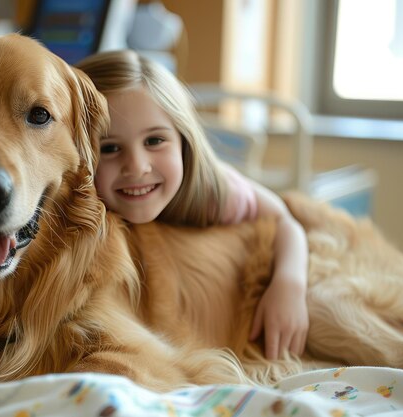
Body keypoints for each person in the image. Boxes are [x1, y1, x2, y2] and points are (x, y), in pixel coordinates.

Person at [76, 50, 309, 360]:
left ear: (184, 141)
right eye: (110, 147)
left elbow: (284, 219)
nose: (136, 166)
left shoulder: (217, 193)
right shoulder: (77, 201)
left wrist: (289, 284)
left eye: (154, 141)